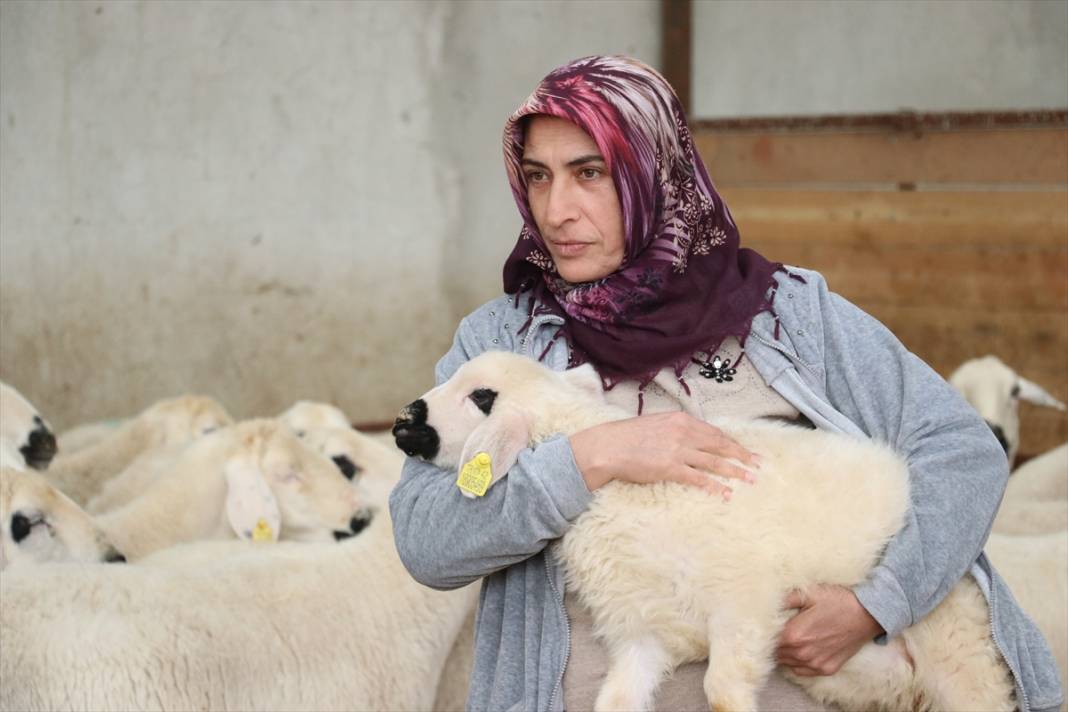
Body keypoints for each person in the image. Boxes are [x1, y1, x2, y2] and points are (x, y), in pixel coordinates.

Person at [389, 55, 1063, 712]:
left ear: (653, 174)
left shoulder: (790, 316)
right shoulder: (502, 347)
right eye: (537, 176)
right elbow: (427, 540)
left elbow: (961, 449)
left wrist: (873, 605)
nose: (556, 208)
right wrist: (590, 459)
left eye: (589, 173)